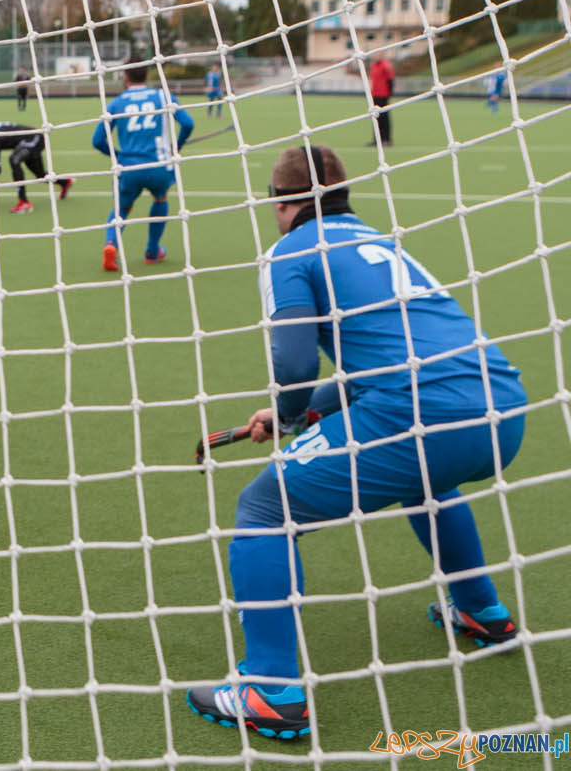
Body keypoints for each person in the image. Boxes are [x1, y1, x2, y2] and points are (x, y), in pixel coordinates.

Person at [186, 145, 526, 741]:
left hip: (417, 406)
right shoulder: (381, 241)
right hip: (501, 409)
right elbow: (388, 358)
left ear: (282, 202)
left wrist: (291, 414)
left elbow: (291, 363)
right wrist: (309, 412)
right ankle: (480, 607)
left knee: (265, 508)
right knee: (426, 477)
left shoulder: (290, 250)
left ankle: (269, 690)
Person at [91, 63, 193, 271]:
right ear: (146, 74)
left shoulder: (117, 103)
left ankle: (111, 244)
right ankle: (152, 251)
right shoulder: (163, 96)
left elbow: (97, 140)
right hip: (159, 166)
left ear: (125, 77)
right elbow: (188, 123)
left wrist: (119, 156)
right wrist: (177, 146)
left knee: (122, 209)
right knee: (160, 198)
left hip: (128, 168)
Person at [0, 121, 72, 213]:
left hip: (33, 139)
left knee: (14, 160)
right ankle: (65, 182)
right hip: (31, 139)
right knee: (40, 174)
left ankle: (24, 203)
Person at [368, 54, 394, 146]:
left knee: (384, 118)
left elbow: (390, 80)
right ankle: (377, 139)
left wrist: (389, 93)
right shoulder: (373, 65)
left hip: (383, 95)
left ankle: (386, 139)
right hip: (375, 95)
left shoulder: (386, 65)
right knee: (376, 118)